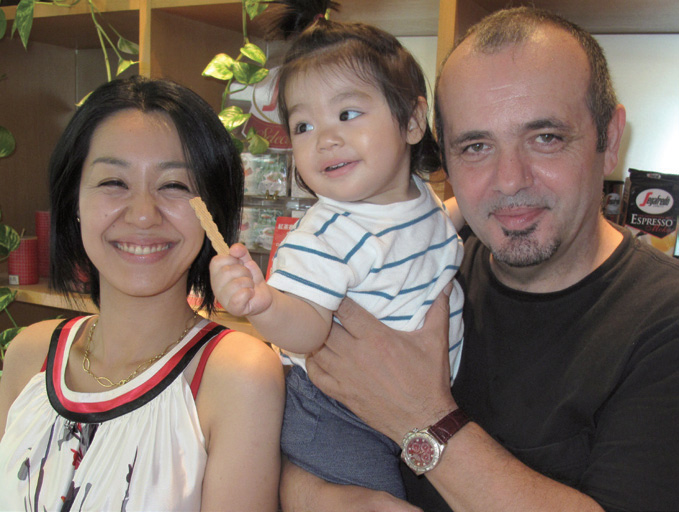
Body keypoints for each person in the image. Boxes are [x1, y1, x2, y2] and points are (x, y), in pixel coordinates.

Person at [279, 6, 679, 512]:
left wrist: (421, 417)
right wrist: (321, 497)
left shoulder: (663, 322)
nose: (509, 180)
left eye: (546, 138)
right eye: (475, 146)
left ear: (610, 139)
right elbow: (301, 438)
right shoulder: (421, 265)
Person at [209, 1, 465, 500]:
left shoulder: (415, 195)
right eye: (303, 126)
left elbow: (430, 229)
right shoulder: (326, 235)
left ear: (413, 121)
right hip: (337, 415)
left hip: (405, 402)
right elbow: (308, 328)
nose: (325, 139)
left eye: (347, 114)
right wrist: (264, 304)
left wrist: (469, 211)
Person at [0, 76, 285, 511]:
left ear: (212, 210)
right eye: (114, 182)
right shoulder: (28, 355)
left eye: (174, 186)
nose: (143, 215)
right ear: (74, 201)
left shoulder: (238, 375)